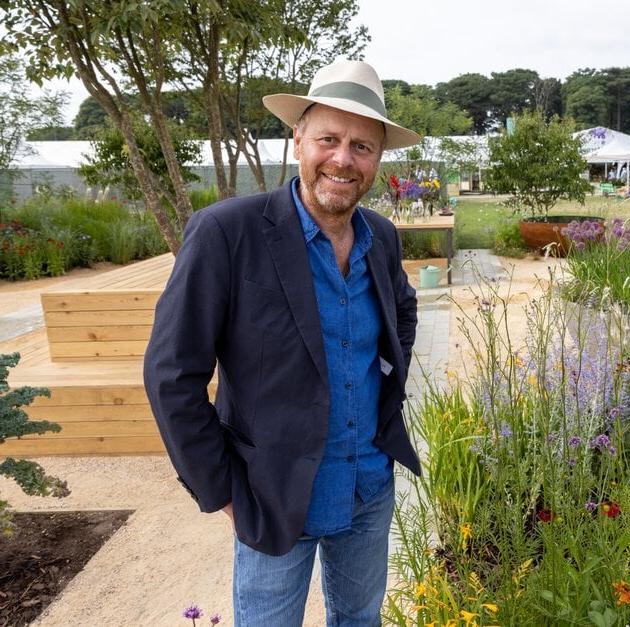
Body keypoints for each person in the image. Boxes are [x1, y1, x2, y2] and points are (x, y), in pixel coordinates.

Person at [143, 59, 422, 626]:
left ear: (378, 158)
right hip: (270, 494)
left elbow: (403, 313)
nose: (343, 159)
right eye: (329, 139)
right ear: (297, 139)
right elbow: (172, 373)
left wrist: (382, 401)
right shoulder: (227, 232)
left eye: (362, 146)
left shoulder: (382, 237)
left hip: (369, 486)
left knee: (360, 620)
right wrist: (219, 488)